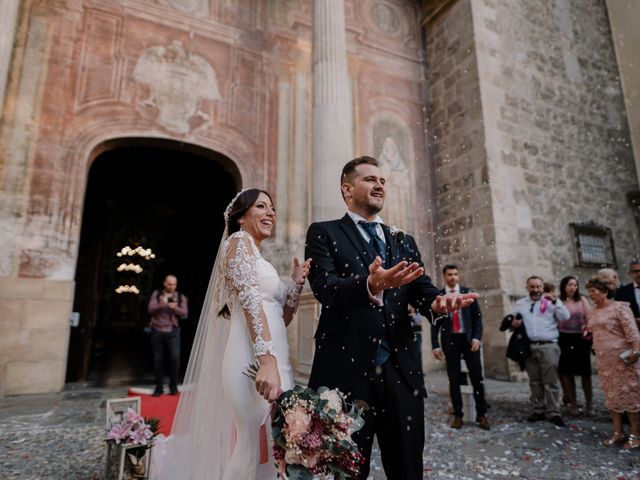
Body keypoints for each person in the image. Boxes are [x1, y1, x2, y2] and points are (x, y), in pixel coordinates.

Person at [304, 156, 478, 480]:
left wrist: (438, 304)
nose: (379, 185)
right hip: (346, 372)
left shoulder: (402, 240)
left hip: (402, 372)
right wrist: (371, 283)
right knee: (345, 470)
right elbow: (325, 288)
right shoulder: (324, 233)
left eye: (382, 181)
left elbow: (421, 288)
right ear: (347, 189)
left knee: (407, 468)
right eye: (370, 179)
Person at [155, 188, 311, 480]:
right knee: (250, 445)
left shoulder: (260, 259)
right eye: (261, 206)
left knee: (275, 444)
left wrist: (295, 285)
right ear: (240, 217)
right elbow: (251, 304)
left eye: (272, 208)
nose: (270, 213)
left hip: (274, 360)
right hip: (251, 361)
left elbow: (280, 318)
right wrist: (266, 361)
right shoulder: (238, 244)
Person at [431, 264, 490, 430]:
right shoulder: (439, 295)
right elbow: (434, 323)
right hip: (450, 342)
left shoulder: (467, 292)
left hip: (468, 339)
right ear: (444, 277)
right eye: (449, 274)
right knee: (454, 379)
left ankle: (482, 414)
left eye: (455, 274)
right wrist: (435, 345)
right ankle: (458, 415)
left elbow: (477, 318)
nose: (453, 277)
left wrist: (477, 338)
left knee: (477, 377)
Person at [586, 276, 640, 450]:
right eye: (589, 292)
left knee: (630, 396)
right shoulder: (593, 311)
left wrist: (636, 351)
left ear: (604, 291)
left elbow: (633, 333)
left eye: (593, 291)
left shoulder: (620, 307)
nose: (590, 295)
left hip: (623, 360)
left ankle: (635, 434)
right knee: (611, 397)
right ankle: (617, 432)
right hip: (604, 361)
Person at [511, 276, 570, 427]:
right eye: (532, 287)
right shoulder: (520, 304)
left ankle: (554, 412)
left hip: (548, 346)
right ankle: (538, 410)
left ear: (543, 288)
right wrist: (514, 323)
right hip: (529, 346)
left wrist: (556, 302)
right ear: (527, 288)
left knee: (551, 382)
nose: (536, 290)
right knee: (535, 381)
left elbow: (565, 316)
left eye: (538, 287)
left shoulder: (551, 302)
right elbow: (512, 324)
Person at [557, 276, 593, 417]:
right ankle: (574, 404)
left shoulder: (582, 300)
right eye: (570, 284)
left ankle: (589, 404)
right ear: (564, 286)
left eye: (575, 285)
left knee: (586, 373)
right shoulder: (559, 301)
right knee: (567, 373)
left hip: (581, 338)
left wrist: (589, 330)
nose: (573, 287)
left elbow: (590, 318)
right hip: (564, 339)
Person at [148, 275, 189, 396]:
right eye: (169, 284)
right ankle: (159, 387)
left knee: (175, 358)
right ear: (164, 283)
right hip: (157, 330)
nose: (172, 287)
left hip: (173, 331)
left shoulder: (180, 297)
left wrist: (175, 307)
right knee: (158, 360)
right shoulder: (157, 294)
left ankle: (173, 385)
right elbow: (150, 309)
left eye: (174, 284)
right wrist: (162, 304)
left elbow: (185, 313)